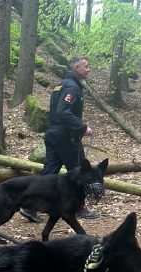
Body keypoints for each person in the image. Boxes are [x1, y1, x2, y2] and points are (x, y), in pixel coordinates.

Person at [34, 55, 98, 220]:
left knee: (49, 173)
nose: (88, 69)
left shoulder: (60, 85)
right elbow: (63, 112)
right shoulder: (72, 87)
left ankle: (31, 205)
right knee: (79, 170)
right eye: (86, 66)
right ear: (76, 68)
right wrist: (82, 128)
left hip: (53, 134)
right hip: (66, 137)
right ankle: (79, 208)